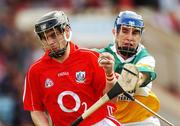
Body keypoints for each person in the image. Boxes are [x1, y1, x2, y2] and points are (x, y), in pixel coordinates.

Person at [22, 10, 122, 126]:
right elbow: (36, 110)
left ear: (67, 32)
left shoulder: (90, 58)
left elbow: (112, 99)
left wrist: (110, 75)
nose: (50, 42)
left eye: (54, 35)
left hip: (98, 123)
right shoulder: (36, 70)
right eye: (45, 38)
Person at [94, 11, 161, 126]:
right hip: (107, 119)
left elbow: (138, 78)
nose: (130, 38)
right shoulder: (98, 55)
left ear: (140, 37)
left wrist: (125, 78)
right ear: (115, 32)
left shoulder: (146, 59)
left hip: (138, 120)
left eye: (135, 33)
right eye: (125, 31)